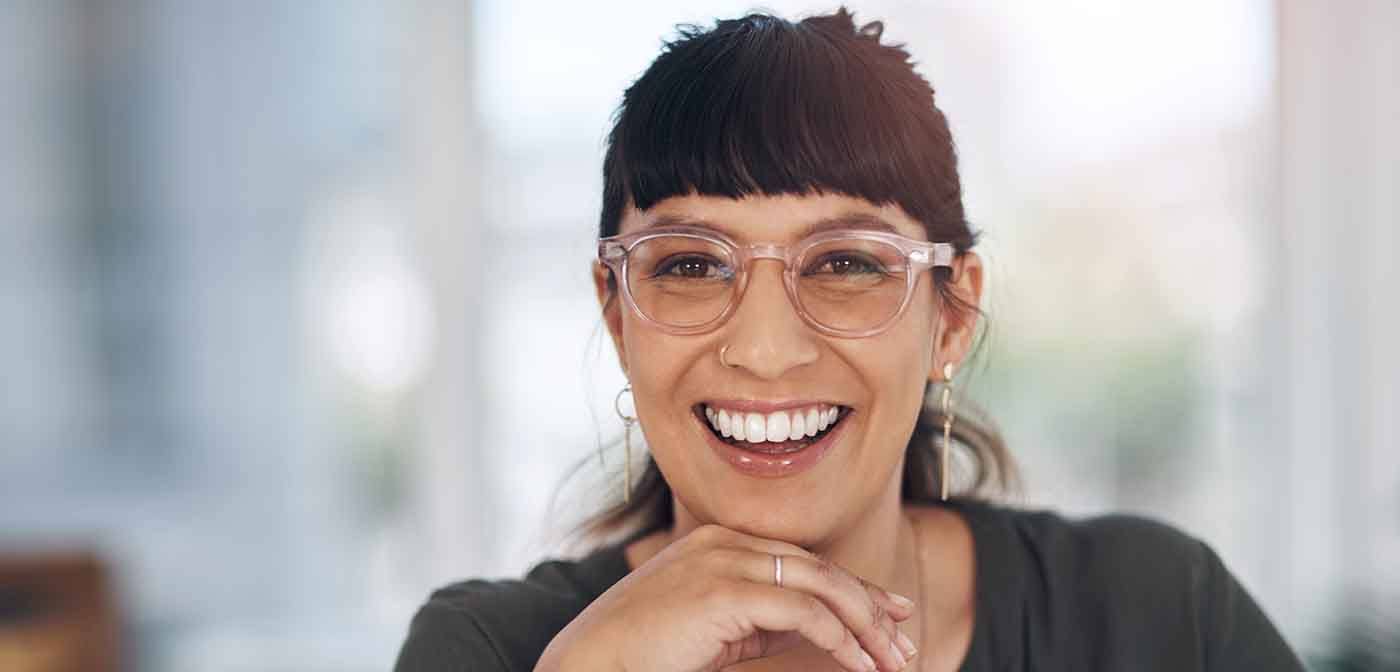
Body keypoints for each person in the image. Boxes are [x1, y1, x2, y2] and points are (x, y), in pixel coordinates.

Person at [395, 8, 1305, 672]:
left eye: (845, 263)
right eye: (692, 265)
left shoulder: (1158, 617)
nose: (765, 349)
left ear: (950, 314)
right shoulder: (487, 653)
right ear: (615, 311)